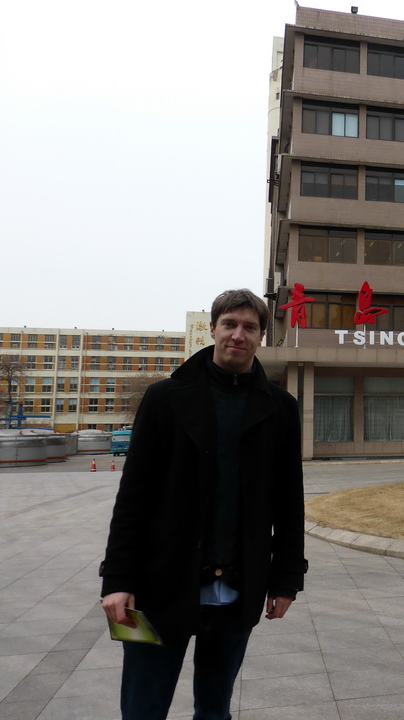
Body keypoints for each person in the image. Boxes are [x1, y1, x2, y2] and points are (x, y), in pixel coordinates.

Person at [100, 289, 305, 720]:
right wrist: (117, 578)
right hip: (158, 590)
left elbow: (289, 501)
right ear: (212, 330)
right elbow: (133, 496)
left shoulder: (281, 409)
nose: (238, 334)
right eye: (229, 324)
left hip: (235, 592)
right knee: (142, 710)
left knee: (215, 712)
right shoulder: (165, 399)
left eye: (250, 327)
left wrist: (286, 580)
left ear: (261, 336)